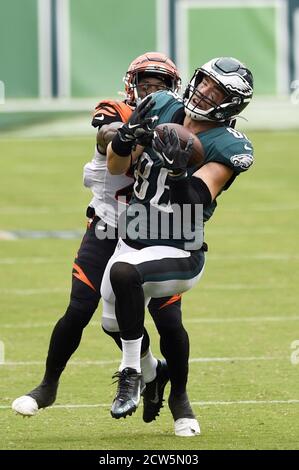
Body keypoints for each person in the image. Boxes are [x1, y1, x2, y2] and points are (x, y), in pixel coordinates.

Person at [12, 52, 188, 428]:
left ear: (173, 90)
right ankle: (49, 385)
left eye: (160, 86)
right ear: (132, 86)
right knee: (80, 309)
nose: (152, 92)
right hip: (107, 226)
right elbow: (105, 133)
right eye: (146, 85)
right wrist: (129, 135)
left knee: (169, 319)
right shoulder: (118, 111)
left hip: (151, 232)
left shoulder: (179, 123)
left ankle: (178, 396)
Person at [102, 57, 254, 436]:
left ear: (230, 104)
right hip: (134, 234)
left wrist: (175, 169)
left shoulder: (229, 145)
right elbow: (117, 168)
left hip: (181, 247)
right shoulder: (159, 104)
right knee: (111, 322)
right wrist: (123, 140)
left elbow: (198, 198)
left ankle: (133, 375)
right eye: (203, 81)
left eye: (216, 90)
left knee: (127, 277)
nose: (203, 90)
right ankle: (156, 375)